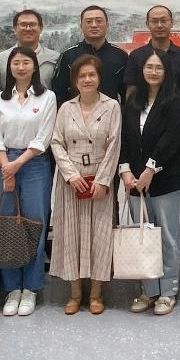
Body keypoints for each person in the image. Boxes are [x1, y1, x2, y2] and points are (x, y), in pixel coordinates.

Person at [119, 50, 180, 316]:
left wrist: (151, 168)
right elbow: (124, 138)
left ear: (166, 71)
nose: (153, 72)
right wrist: (125, 170)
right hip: (135, 182)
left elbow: (172, 139)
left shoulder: (175, 101)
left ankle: (168, 291)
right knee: (144, 235)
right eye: (149, 67)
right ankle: (149, 291)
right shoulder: (133, 101)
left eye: (158, 67)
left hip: (166, 180)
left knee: (168, 237)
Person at [0, 47, 58, 317]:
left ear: (35, 66)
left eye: (26, 62)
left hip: (34, 164)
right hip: (4, 162)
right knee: (7, 226)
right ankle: (11, 289)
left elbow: (43, 137)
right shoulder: (0, 99)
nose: (20, 67)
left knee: (33, 225)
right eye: (16, 62)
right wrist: (6, 166)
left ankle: (30, 288)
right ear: (9, 67)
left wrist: (17, 164)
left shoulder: (47, 97)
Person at [50, 54, 122, 315]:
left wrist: (103, 180)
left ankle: (96, 294)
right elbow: (56, 142)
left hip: (99, 179)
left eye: (92, 74)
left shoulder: (111, 106)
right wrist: (70, 175)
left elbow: (114, 144)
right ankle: (74, 294)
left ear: (99, 78)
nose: (87, 79)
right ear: (75, 80)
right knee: (71, 235)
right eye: (82, 76)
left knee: (99, 237)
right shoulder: (65, 108)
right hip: (72, 181)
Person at [52, 5, 129, 103]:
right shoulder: (68, 55)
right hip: (76, 111)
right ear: (81, 26)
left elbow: (126, 93)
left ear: (107, 25)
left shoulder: (121, 56)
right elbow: (59, 92)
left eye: (99, 21)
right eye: (88, 21)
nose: (94, 25)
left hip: (111, 111)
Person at [124, 5, 180, 101]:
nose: (159, 25)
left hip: (175, 109)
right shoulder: (136, 56)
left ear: (172, 23)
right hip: (144, 109)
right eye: (154, 21)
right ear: (147, 24)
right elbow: (131, 90)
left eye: (164, 21)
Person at [0, 9, 61, 92]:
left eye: (32, 24)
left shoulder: (55, 58)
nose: (28, 29)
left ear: (41, 28)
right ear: (15, 28)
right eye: (23, 25)